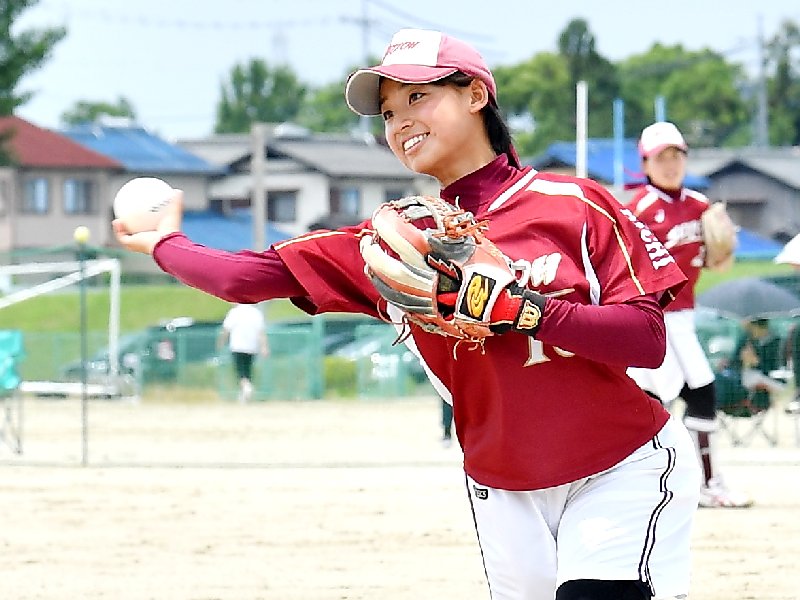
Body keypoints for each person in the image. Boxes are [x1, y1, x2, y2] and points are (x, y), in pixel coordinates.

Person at [114, 28, 701, 600]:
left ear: (476, 95)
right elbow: (244, 278)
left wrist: (526, 311)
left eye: (418, 96)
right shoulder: (393, 246)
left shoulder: (575, 204)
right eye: (389, 113)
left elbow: (647, 339)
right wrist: (167, 245)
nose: (401, 122)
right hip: (502, 483)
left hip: (622, 465)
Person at [626, 121, 753, 509]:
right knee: (670, 399)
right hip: (651, 317)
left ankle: (703, 483)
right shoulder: (636, 210)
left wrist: (723, 251)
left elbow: (717, 264)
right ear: (645, 164)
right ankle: (665, 485)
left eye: (676, 156)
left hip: (682, 316)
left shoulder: (700, 206)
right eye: (661, 158)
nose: (670, 164)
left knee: (698, 393)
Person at [217, 303, 268, 402]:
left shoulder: (235, 312)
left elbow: (226, 330)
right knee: (247, 370)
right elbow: (261, 333)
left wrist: (221, 342)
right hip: (252, 346)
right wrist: (264, 347)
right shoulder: (256, 313)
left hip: (237, 346)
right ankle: (244, 395)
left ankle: (246, 387)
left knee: (240, 371)